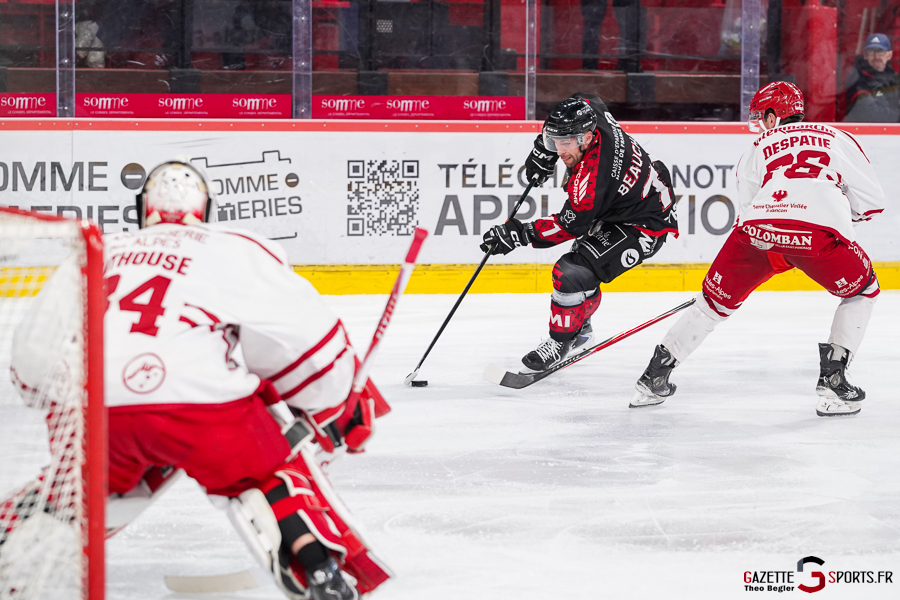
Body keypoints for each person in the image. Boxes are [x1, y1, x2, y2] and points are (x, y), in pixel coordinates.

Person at [1, 160, 390, 599]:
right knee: (267, 465)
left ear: (140, 209)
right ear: (206, 210)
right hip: (195, 409)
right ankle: (316, 565)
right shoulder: (228, 245)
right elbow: (302, 338)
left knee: (82, 482)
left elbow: (32, 359)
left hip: (88, 410)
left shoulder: (96, 249)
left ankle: (21, 530)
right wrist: (331, 405)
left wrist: (53, 396)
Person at [631, 81, 885, 417]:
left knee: (710, 305)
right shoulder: (837, 137)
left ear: (772, 115)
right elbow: (872, 203)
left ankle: (653, 379)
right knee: (863, 291)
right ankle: (834, 378)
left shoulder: (760, 143)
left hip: (756, 233)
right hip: (818, 236)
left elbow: (748, 206)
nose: (760, 124)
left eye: (761, 117)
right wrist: (834, 215)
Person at [480, 93, 678, 372]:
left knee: (570, 273)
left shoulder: (594, 178)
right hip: (625, 202)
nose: (559, 151)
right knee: (581, 268)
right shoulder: (592, 114)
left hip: (644, 225)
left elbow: (568, 225)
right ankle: (580, 327)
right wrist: (543, 149)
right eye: (554, 141)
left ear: (585, 138)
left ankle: (562, 341)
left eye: (564, 143)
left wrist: (517, 234)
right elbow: (585, 97)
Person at [844, 33, 900, 123]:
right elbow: (874, 115)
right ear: (865, 55)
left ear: (889, 55)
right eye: (871, 52)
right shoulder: (857, 80)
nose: (876, 57)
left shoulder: (893, 79)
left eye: (881, 52)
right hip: (861, 135)